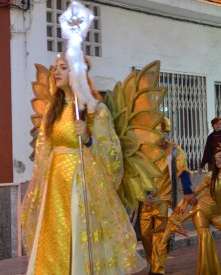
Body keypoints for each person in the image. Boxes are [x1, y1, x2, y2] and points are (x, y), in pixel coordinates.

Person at [21, 55, 146, 274]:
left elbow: (111, 154)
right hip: (54, 184)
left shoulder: (94, 109)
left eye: (64, 68)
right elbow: (43, 150)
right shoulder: (53, 110)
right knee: (53, 234)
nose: (56, 72)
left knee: (78, 231)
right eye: (56, 68)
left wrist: (89, 138)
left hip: (80, 182)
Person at [164, 148, 221, 275]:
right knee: (206, 238)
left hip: (217, 214)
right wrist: (183, 206)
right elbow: (195, 193)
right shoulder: (211, 176)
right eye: (216, 159)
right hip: (201, 211)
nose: (218, 161)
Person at [139, 117, 196, 275]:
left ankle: (158, 270)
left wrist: (188, 190)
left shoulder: (175, 150)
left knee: (160, 236)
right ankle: (154, 263)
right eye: (157, 133)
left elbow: (183, 170)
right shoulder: (146, 150)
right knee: (144, 235)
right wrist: (144, 193)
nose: (161, 136)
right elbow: (139, 173)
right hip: (147, 201)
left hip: (165, 201)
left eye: (164, 133)